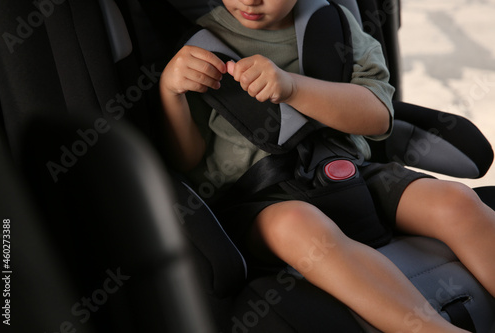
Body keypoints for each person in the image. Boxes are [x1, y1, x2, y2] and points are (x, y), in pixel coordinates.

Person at [159, 0, 495, 331]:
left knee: (456, 201)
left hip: (351, 172)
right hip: (261, 201)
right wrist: (170, 92)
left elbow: (378, 116)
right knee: (298, 223)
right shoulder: (197, 51)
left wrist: (293, 88)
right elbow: (187, 161)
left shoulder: (336, 25)